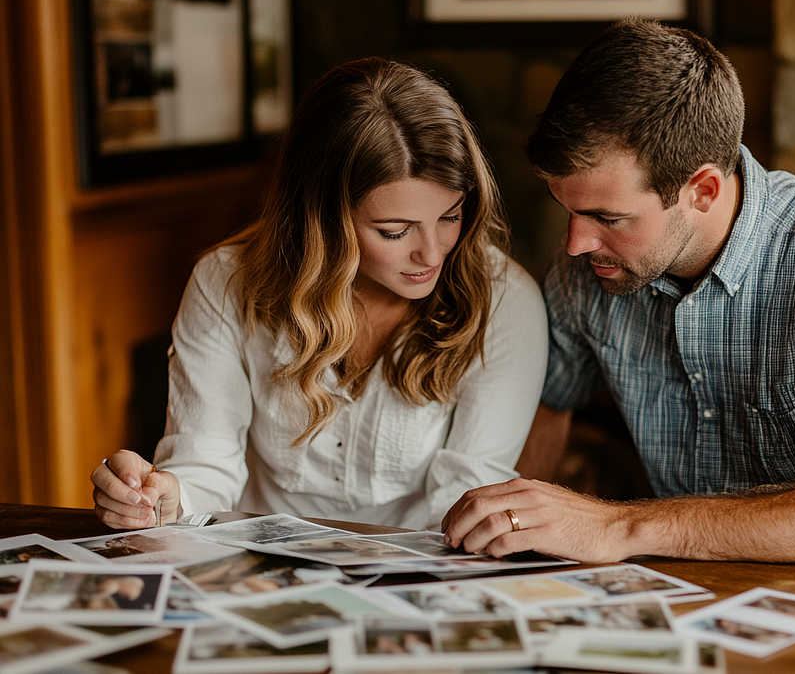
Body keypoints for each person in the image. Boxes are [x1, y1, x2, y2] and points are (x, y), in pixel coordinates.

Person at [441, 19, 795, 574]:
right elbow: (550, 398)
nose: (576, 243)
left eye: (609, 217)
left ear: (702, 190)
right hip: (707, 598)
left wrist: (623, 526)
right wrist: (505, 545)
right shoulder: (591, 264)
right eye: (570, 209)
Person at [90, 58, 547, 532]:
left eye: (450, 216)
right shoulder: (225, 282)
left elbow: (466, 500)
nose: (432, 253)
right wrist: (159, 498)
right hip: (255, 566)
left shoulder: (503, 300)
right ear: (323, 218)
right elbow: (205, 465)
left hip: (420, 571)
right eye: (395, 231)